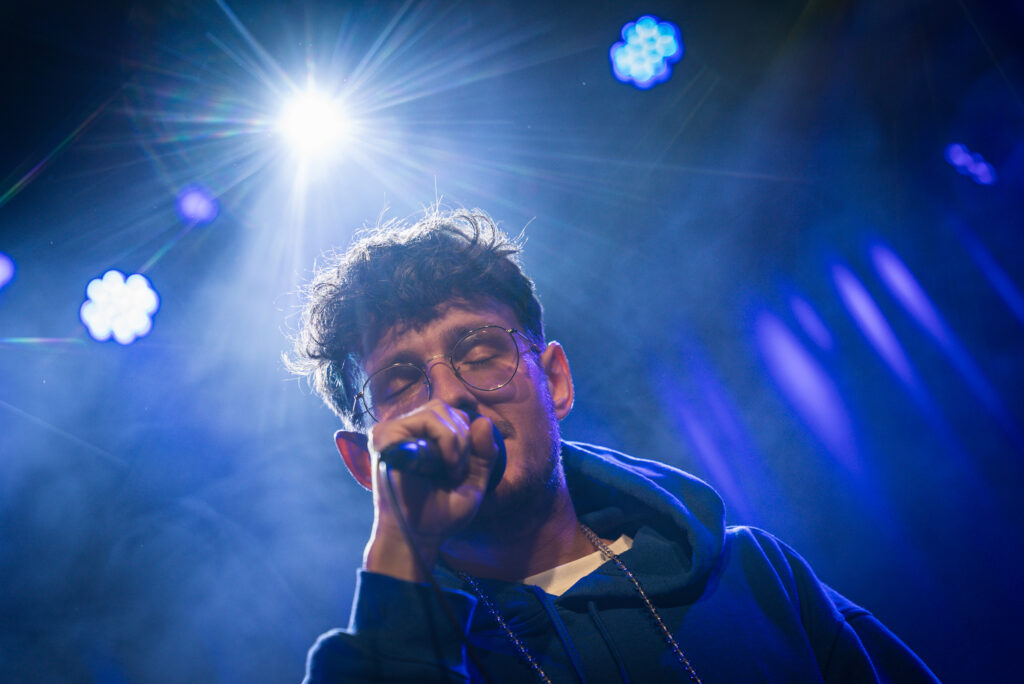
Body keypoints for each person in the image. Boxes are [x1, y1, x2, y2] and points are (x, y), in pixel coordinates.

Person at [288, 208, 939, 683]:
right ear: (363, 463)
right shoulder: (385, 656)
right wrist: (400, 558)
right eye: (400, 383)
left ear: (555, 381)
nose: (452, 396)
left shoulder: (761, 579)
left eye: (481, 352)